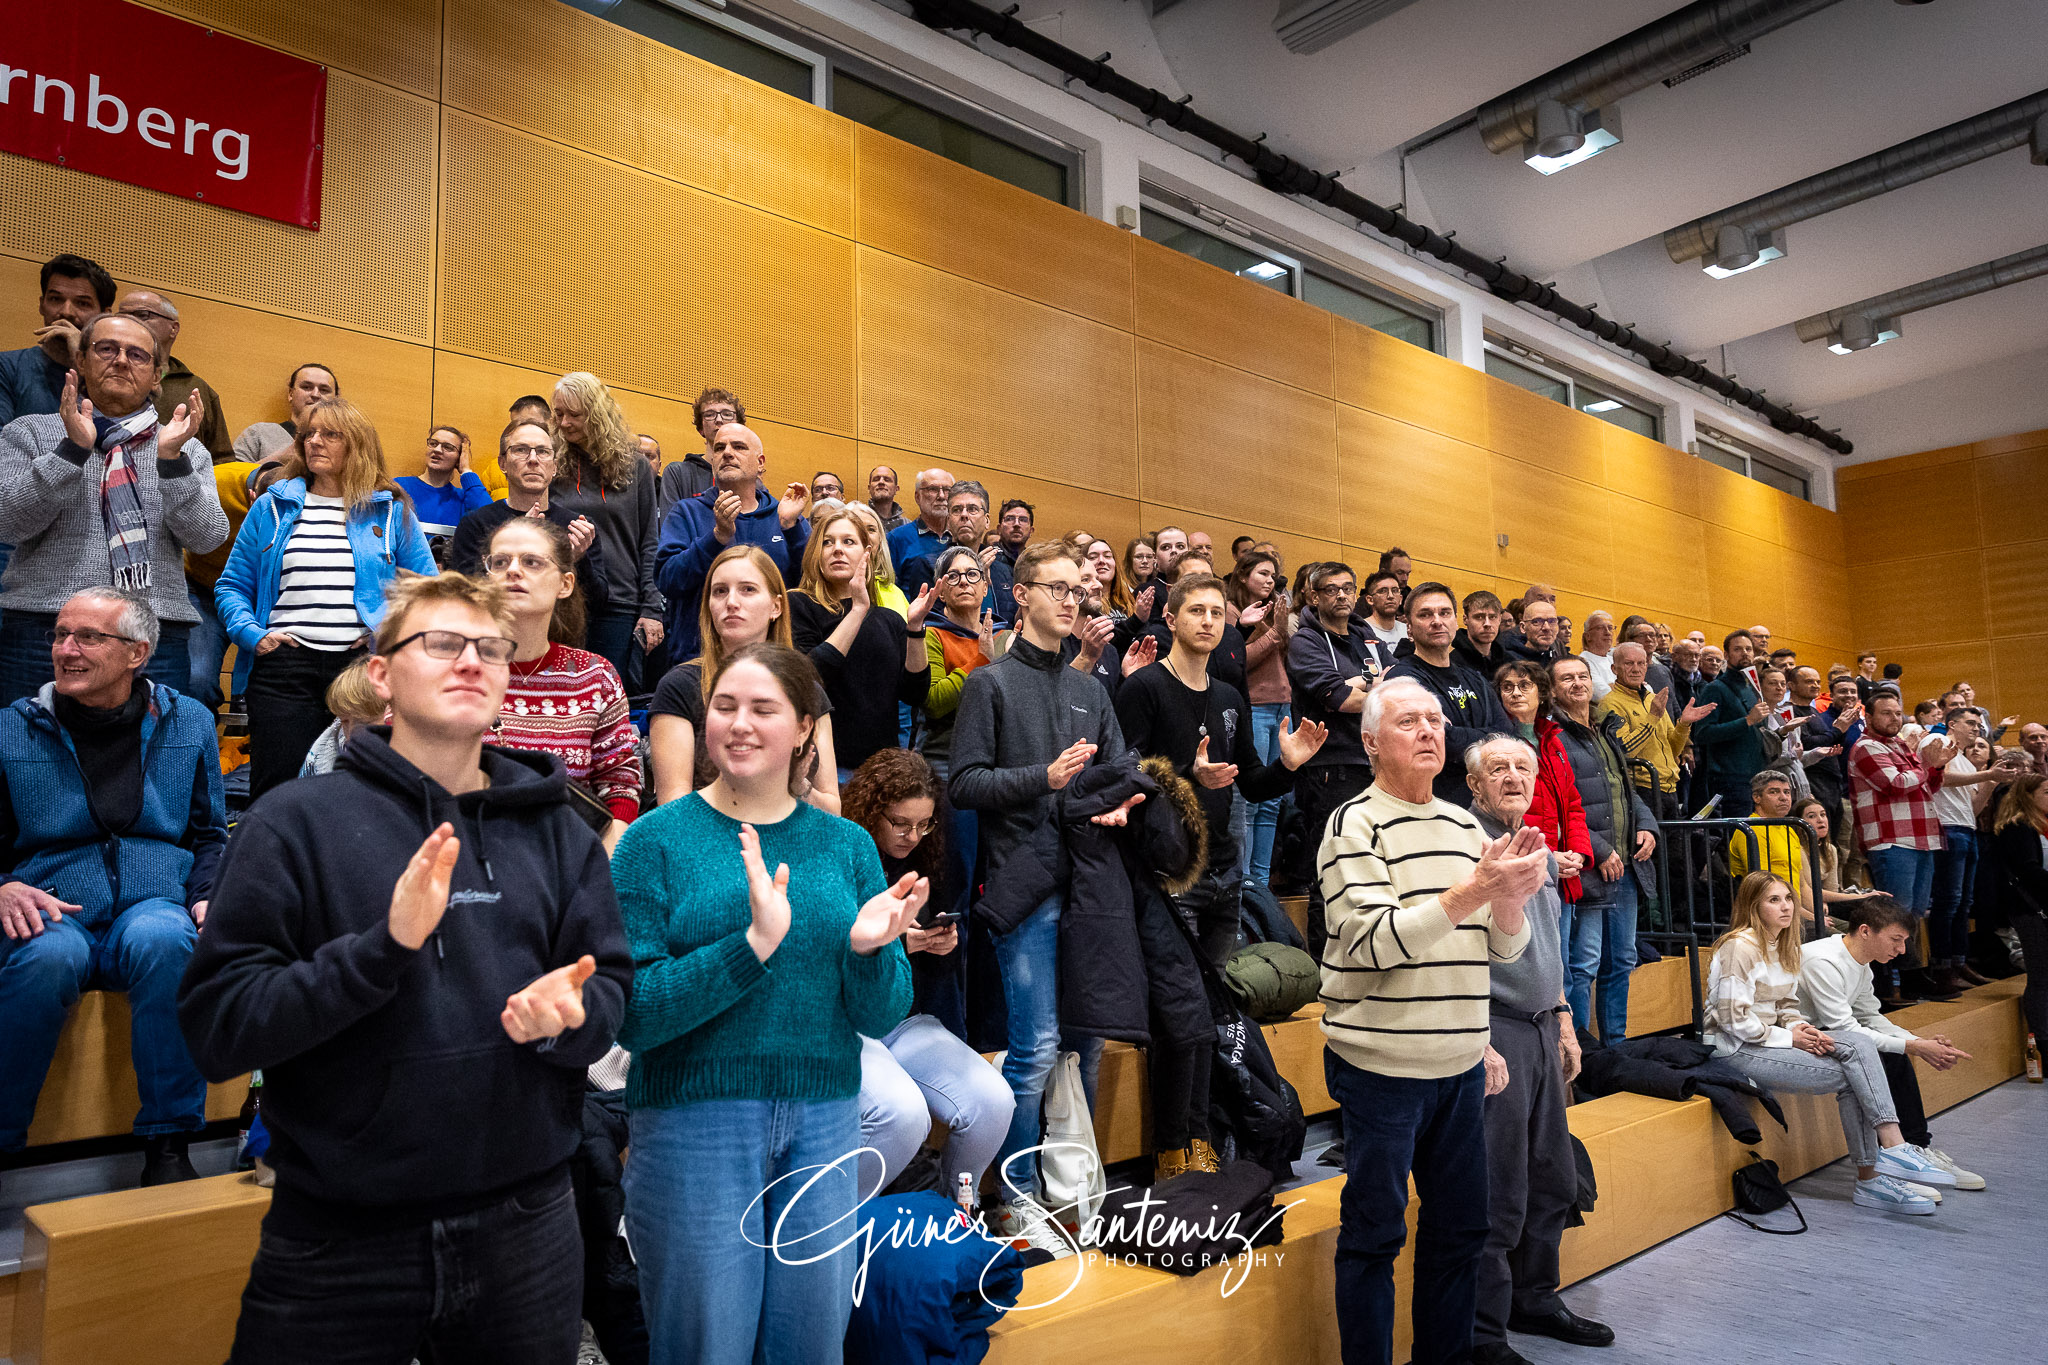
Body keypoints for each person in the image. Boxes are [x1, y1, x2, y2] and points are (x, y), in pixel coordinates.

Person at [179, 570, 633, 1363]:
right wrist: (378, 951)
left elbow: (608, 989)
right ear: (381, 674)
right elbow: (219, 1026)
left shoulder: (558, 829)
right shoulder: (296, 821)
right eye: (443, 643)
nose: (473, 662)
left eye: (491, 648)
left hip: (526, 1229)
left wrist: (573, 1019)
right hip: (340, 1237)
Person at [610, 642, 920, 1365]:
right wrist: (750, 946)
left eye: (762, 708)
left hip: (824, 1121)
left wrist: (870, 954)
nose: (739, 723)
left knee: (810, 1347)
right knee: (704, 1349)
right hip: (695, 1124)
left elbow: (880, 1015)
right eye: (724, 706)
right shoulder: (655, 841)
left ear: (805, 727)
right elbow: (636, 1011)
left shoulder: (847, 846)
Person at [1320, 678, 1546, 1365]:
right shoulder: (1353, 824)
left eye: (1435, 720)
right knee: (1374, 1236)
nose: (1428, 731)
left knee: (1459, 1233)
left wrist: (1510, 900)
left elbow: (1501, 950)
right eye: (1408, 721)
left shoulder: (1460, 825)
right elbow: (1372, 941)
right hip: (1381, 1069)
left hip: (1459, 1069)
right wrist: (1476, 889)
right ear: (1371, 743)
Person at [0, 589, 222, 1177]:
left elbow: (208, 835)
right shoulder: (10, 729)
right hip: (47, 906)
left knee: (164, 940)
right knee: (46, 957)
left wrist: (206, 896)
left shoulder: (190, 721)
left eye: (88, 637)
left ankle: (169, 1144)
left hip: (152, 901)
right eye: (59, 634)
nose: (65, 650)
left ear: (138, 653)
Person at [950, 542, 1132, 1246]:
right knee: (1036, 1045)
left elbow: (1123, 770)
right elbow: (964, 783)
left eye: (1079, 593)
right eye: (1057, 587)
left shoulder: (1092, 688)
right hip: (1024, 885)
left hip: (1090, 885)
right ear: (1020, 594)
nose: (1071, 601)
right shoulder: (989, 684)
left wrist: (1120, 801)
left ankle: (1073, 1178)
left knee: (1086, 1041)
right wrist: (1044, 779)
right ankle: (1015, 1191)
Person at [1465, 736, 1613, 1364]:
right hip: (1492, 1028)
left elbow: (1548, 947)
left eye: (1522, 768)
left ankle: (1535, 1296)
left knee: (1550, 1172)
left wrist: (1563, 1018)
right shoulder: (1465, 844)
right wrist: (1477, 1034)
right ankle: (1482, 1333)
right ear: (1473, 785)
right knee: (1497, 1185)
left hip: (1540, 1024)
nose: (1512, 777)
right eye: (1496, 769)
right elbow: (1456, 952)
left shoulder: (1537, 847)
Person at [0, 314, 227, 704]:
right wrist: (70, 452)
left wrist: (171, 461)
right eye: (107, 349)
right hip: (46, 629)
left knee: (151, 759)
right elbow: (8, 522)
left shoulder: (184, 446)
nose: (121, 360)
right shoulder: (30, 433)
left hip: (153, 633)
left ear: (157, 376)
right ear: (82, 362)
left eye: (137, 355)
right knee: (29, 756)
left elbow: (207, 537)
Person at [216, 399, 434, 797]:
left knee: (363, 788)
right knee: (277, 790)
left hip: (362, 668)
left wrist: (380, 636)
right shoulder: (271, 507)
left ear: (358, 445)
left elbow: (426, 591)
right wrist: (253, 635)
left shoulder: (391, 512)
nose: (315, 441)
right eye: (309, 434)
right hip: (283, 667)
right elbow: (231, 586)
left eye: (330, 434)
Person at [1704, 872, 1953, 1214]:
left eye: (1789, 898)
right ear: (1752, 906)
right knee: (1858, 1071)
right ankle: (1880, 1167)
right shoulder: (1739, 947)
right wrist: (1788, 1036)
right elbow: (1731, 1019)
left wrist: (1802, 1029)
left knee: (1857, 1046)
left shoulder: (1784, 945)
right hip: (1735, 1048)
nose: (1786, 907)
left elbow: (1787, 1007)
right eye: (1773, 900)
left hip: (1770, 1041)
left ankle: (1885, 1163)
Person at [1116, 573, 1325, 966]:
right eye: (1196, 611)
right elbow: (1124, 773)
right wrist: (1188, 775)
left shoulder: (1229, 695)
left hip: (1223, 868)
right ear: (1171, 619)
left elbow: (1251, 782)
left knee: (1218, 994)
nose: (1208, 621)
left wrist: (1287, 765)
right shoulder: (1143, 687)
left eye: (1216, 612)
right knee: (1179, 997)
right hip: (1168, 868)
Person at [843, 750, 1013, 1191]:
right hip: (850, 1023)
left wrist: (944, 946)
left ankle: (954, 1217)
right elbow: (824, 953)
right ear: (870, 809)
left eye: (924, 824)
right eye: (900, 822)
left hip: (908, 1019)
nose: (912, 835)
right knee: (903, 1114)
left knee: (995, 1100)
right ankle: (838, 1228)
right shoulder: (841, 852)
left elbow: (944, 967)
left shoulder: (929, 858)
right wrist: (898, 942)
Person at [1797, 895, 1985, 1190]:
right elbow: (1845, 1028)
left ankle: (1915, 1150)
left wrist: (1917, 1040)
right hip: (1797, 1039)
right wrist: (1914, 1047)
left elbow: (1871, 1017)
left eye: (1904, 942)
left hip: (1826, 1033)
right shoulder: (1823, 960)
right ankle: (1893, 1159)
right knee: (1882, 1056)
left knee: (1892, 1053)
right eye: (1895, 940)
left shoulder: (1861, 962)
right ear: (1865, 931)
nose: (1901, 950)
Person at [647, 543, 840, 814]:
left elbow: (833, 810)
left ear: (776, 606)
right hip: (710, 848)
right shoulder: (679, 686)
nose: (732, 602)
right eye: (720, 591)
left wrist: (798, 786)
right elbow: (673, 811)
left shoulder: (807, 690)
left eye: (748, 589)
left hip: (794, 845)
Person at [482, 517, 641, 844]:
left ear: (564, 584)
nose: (513, 570)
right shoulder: (451, 668)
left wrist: (603, 864)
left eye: (532, 562)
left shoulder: (595, 676)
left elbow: (620, 783)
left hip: (568, 863)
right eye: (500, 562)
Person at [1549, 655, 1658, 1042]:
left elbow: (1625, 788)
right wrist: (1600, 849)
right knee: (1584, 965)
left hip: (1626, 862)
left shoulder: (1603, 730)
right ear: (1553, 689)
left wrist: (1646, 826)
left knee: (1623, 959)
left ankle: (1616, 1044)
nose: (1577, 683)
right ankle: (1583, 1051)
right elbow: (1565, 801)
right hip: (1591, 865)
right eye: (1567, 678)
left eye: (1582, 676)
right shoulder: (1555, 736)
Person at [1285, 561, 1391, 959]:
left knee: (1374, 866)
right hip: (1327, 767)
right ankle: (1326, 967)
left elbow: (1396, 684)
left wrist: (1361, 685)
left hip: (1373, 764)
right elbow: (1337, 698)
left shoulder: (1367, 635)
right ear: (1313, 595)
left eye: (1348, 588)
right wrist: (1369, 686)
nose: (1341, 595)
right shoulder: (1306, 641)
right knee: (1331, 871)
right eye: (1331, 589)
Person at [654, 421, 809, 668]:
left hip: (774, 663)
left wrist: (793, 530)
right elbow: (668, 580)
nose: (727, 452)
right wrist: (716, 537)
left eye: (738, 446)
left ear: (760, 463)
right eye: (719, 448)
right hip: (700, 661)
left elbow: (810, 587)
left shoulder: (785, 516)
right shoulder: (686, 512)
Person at [789, 510, 932, 776]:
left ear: (867, 554)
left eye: (848, 542)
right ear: (815, 554)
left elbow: (915, 694)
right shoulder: (800, 605)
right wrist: (858, 610)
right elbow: (809, 677)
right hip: (822, 768)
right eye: (828, 542)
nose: (837, 550)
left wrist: (914, 630)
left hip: (881, 771)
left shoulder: (889, 619)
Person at [548, 372, 664, 690]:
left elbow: (649, 542)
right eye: (558, 414)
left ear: (597, 415)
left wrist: (652, 607)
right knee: (563, 696)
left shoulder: (636, 466)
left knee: (609, 698)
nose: (564, 423)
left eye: (575, 415)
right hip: (565, 598)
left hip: (620, 602)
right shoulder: (553, 464)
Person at [1851, 692, 1957, 997]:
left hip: (1920, 837)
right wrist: (1926, 764)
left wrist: (1934, 768)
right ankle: (1886, 982)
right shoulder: (1865, 746)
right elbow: (1895, 784)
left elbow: (1928, 784)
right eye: (1886, 713)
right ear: (1868, 718)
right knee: (1893, 912)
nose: (1894, 719)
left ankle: (1908, 976)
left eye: (1898, 713)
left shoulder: (1898, 745)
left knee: (1913, 913)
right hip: (1890, 839)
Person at [1384, 582, 1513, 808]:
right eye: (1425, 614)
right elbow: (1439, 740)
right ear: (1409, 628)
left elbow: (1508, 736)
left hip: (1486, 809)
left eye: (1444, 613)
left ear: (1455, 621)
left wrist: (1459, 735)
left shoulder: (1475, 679)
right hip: (1432, 806)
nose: (1437, 621)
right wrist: (1488, 735)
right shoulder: (1403, 678)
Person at [1494, 661, 1590, 908]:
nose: (1515, 693)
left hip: (1565, 868)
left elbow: (1573, 804)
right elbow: (1502, 816)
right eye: (1507, 687)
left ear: (1542, 693)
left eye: (1525, 685)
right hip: (1526, 868)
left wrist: (1577, 853)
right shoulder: (1498, 745)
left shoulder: (1551, 740)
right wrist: (1548, 857)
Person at [1228, 550, 1292, 887]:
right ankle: (1247, 882)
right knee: (1252, 801)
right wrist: (1274, 634)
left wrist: (1279, 630)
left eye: (1273, 576)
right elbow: (1235, 660)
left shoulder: (1272, 612)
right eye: (1263, 574)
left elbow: (1278, 657)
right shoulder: (1231, 611)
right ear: (1241, 575)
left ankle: (1262, 885)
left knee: (1273, 803)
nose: (1270, 581)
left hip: (1282, 706)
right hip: (1254, 706)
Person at [1597, 641, 1713, 822]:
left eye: (1641, 663)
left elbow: (1672, 749)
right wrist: (1652, 717)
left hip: (1670, 787)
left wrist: (1683, 724)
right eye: (1629, 663)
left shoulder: (1653, 699)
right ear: (1614, 669)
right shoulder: (1609, 704)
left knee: (1675, 849)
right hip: (1641, 790)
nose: (1636, 669)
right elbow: (1624, 750)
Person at [1929, 708, 2002, 991]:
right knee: (1948, 902)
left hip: (1966, 827)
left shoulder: (1966, 760)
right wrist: (1984, 776)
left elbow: (1972, 808)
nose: (1977, 728)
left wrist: (1991, 780)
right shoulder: (1939, 743)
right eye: (1971, 723)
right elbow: (1941, 778)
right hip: (1946, 827)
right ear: (1952, 724)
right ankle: (1942, 965)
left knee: (1963, 903)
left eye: (1979, 724)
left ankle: (1959, 962)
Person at [113, 291, 230, 460]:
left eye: (143, 315)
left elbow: (221, 461)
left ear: (173, 329)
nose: (130, 323)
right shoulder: (103, 378)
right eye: (122, 316)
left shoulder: (197, 390)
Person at [0, 253, 114, 426]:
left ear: (104, 316)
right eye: (55, 299)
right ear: (41, 304)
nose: (66, 311)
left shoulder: (118, 374)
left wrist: (82, 358)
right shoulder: (7, 367)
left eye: (82, 303)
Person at [1989, 774, 2048, 1045]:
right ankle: (2043, 1048)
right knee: (2041, 978)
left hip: (2043, 907)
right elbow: (2028, 871)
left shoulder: (2043, 824)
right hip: (2031, 910)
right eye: (2046, 792)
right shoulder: (2018, 827)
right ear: (2028, 795)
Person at [1691, 629, 1771, 817]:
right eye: (1738, 649)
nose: (1745, 653)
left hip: (1758, 776)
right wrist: (1747, 721)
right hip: (1729, 778)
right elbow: (1703, 733)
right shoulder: (1715, 688)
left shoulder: (1752, 688)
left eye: (1748, 649)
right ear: (1726, 655)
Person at [394, 425, 492, 546]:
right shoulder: (399, 486)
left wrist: (466, 471)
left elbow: (491, 521)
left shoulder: (464, 498)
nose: (437, 450)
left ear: (459, 458)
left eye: (448, 447)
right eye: (433, 443)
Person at [657, 387, 735, 511]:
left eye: (727, 414)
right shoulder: (677, 473)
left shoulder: (747, 474)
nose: (719, 420)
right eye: (710, 415)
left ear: (740, 426)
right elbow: (671, 527)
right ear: (701, 429)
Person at [885, 467, 954, 571]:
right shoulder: (896, 539)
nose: (941, 496)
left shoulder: (961, 536)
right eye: (933, 489)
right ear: (918, 497)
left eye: (947, 490)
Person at [1453, 589, 1507, 677]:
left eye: (1492, 617)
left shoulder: (1510, 662)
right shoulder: (1453, 664)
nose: (1487, 624)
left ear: (1500, 619)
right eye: (1479, 617)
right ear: (1465, 619)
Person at [1357, 569, 1407, 654]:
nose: (1390, 596)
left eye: (1395, 590)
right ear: (1370, 600)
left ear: (1401, 599)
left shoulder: (1407, 630)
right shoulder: (1361, 631)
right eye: (1383, 591)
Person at [1501, 597, 1562, 665]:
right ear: (1523, 627)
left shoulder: (1557, 659)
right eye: (1537, 621)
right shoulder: (1509, 662)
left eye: (1552, 621)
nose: (1546, 627)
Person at [1577, 611, 1616, 703]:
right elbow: (1604, 696)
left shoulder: (1614, 660)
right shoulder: (1582, 662)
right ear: (1588, 636)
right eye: (1600, 628)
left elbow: (1644, 688)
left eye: (1610, 628)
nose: (1608, 633)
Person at [1120, 535, 1159, 622]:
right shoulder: (1121, 588)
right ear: (1130, 561)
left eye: (1149, 557)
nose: (1145, 561)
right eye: (1139, 557)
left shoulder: (1158, 586)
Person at [865, 462, 909, 531]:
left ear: (896, 489)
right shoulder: (858, 519)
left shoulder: (906, 525)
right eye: (876, 479)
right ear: (869, 488)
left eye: (887, 479)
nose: (881, 482)